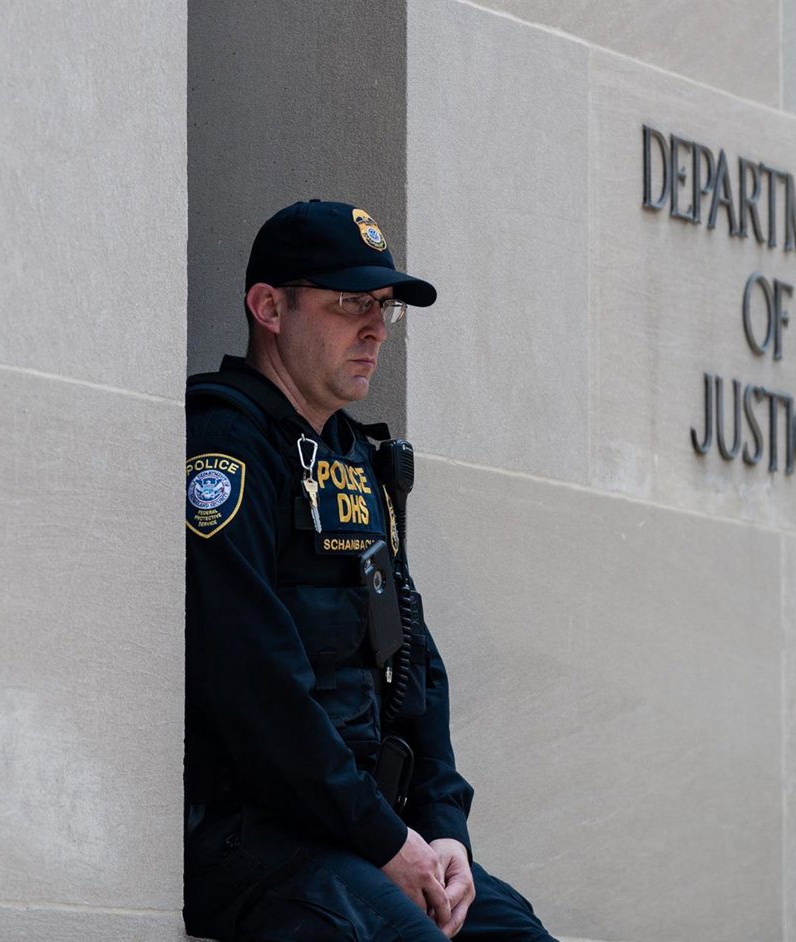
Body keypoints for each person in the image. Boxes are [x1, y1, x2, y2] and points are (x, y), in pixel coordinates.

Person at [183, 199, 557, 941]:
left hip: (369, 833)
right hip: (260, 839)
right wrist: (385, 839)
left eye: (384, 307)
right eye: (351, 303)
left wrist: (444, 828)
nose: (376, 328)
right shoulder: (227, 445)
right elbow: (254, 683)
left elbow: (415, 663)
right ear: (269, 308)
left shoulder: (357, 458)